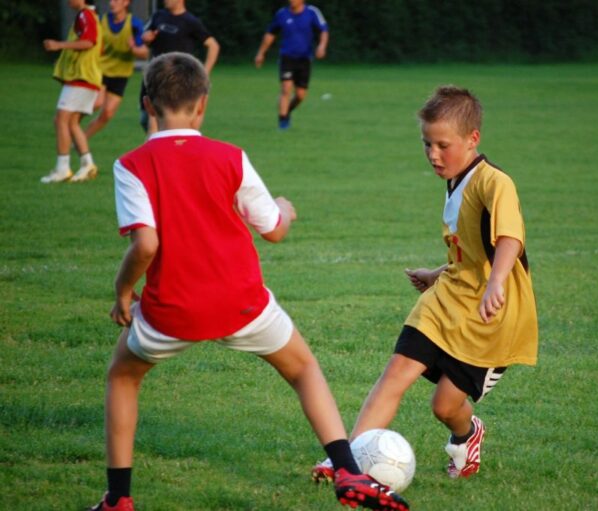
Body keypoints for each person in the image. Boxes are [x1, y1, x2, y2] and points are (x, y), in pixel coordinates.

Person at [88, 52, 409, 511]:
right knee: (302, 370)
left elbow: (145, 245)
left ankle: (118, 499)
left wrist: (123, 293)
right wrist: (286, 207)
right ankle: (346, 470)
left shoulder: (131, 165)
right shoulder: (230, 157)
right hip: (242, 303)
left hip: (171, 310)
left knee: (123, 376)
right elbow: (274, 230)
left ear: (147, 103)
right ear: (202, 105)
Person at [313, 85, 539, 482]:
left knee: (445, 407)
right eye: (427, 145)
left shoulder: (493, 182)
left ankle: (467, 434)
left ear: (473, 139)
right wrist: (437, 274)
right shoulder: (455, 178)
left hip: (492, 317)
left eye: (442, 145)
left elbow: (509, 239)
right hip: (447, 298)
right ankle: (345, 463)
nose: (434, 155)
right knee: (396, 373)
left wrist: (496, 283)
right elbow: (469, 250)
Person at [41, 0, 102, 184]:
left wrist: (60, 45)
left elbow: (88, 41)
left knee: (61, 119)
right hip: (87, 78)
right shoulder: (90, 16)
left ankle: (62, 168)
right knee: (72, 122)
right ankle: (87, 163)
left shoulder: (85, 15)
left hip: (81, 78)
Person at [139, 0, 219, 134]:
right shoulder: (158, 16)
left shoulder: (190, 21)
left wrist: (204, 73)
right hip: (155, 76)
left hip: (177, 80)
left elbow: (213, 45)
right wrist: (146, 39)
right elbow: (146, 38)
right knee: (144, 118)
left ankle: (159, 150)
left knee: (155, 123)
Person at [254, 0, 329, 130]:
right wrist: (261, 53)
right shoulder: (282, 14)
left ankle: (286, 110)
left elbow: (324, 30)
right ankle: (283, 122)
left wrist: (322, 46)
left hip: (305, 59)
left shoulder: (312, 12)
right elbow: (270, 34)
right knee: (286, 88)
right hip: (287, 57)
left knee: (300, 95)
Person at [85, 0, 148, 139]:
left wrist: (133, 48)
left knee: (107, 114)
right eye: (111, 0)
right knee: (98, 103)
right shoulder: (102, 21)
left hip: (121, 75)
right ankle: (70, 122)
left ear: (126, 3)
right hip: (101, 70)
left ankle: (81, 138)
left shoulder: (134, 24)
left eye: (116, 0)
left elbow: (144, 53)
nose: (112, 3)